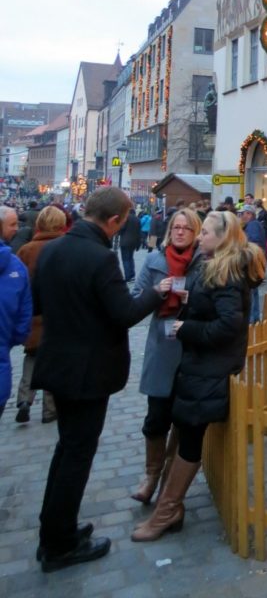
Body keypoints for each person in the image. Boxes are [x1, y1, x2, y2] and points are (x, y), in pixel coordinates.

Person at [32, 187, 171, 572]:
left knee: (66, 450)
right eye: (122, 221)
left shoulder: (53, 250)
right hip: (88, 371)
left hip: (58, 364)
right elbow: (124, 313)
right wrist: (156, 294)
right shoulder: (100, 258)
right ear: (114, 221)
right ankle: (59, 545)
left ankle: (55, 530)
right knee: (77, 455)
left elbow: (39, 303)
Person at [131, 210, 265, 542]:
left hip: (209, 368)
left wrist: (186, 327)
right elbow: (219, 310)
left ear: (223, 237)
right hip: (200, 366)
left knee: (190, 438)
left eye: (204, 232)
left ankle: (166, 511)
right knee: (184, 431)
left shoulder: (227, 272)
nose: (199, 237)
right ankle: (169, 507)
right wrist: (193, 302)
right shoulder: (216, 268)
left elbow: (228, 325)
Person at [129, 208, 204, 506]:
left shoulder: (203, 264)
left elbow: (214, 305)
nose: (180, 231)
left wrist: (193, 299)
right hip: (162, 347)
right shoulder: (154, 261)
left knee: (183, 419)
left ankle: (169, 485)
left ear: (196, 232)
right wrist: (155, 292)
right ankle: (151, 475)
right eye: (176, 227)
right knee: (156, 416)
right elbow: (135, 301)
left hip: (191, 349)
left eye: (187, 227)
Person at [15, 205, 68, 424]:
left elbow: (19, 283)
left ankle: (24, 399)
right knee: (53, 364)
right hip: (58, 316)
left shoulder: (27, 250)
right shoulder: (65, 247)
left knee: (31, 359)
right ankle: (49, 408)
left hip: (33, 317)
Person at [0, 232, 32, 420]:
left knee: (32, 359)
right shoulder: (13, 263)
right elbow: (24, 306)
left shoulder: (23, 253)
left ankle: (25, 399)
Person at [239, 206, 267, 323]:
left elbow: (254, 243)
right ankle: (254, 317)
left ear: (249, 214)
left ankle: (252, 318)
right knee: (253, 290)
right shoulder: (253, 225)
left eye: (243, 214)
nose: (241, 217)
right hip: (255, 261)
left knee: (251, 290)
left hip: (252, 262)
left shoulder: (253, 225)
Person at [118, 206, 142, 282]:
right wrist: (138, 244)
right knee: (131, 258)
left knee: (125, 259)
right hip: (133, 242)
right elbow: (139, 233)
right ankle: (132, 275)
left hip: (125, 242)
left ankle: (128, 276)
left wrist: (119, 231)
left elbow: (122, 229)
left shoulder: (126, 218)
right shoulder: (137, 219)